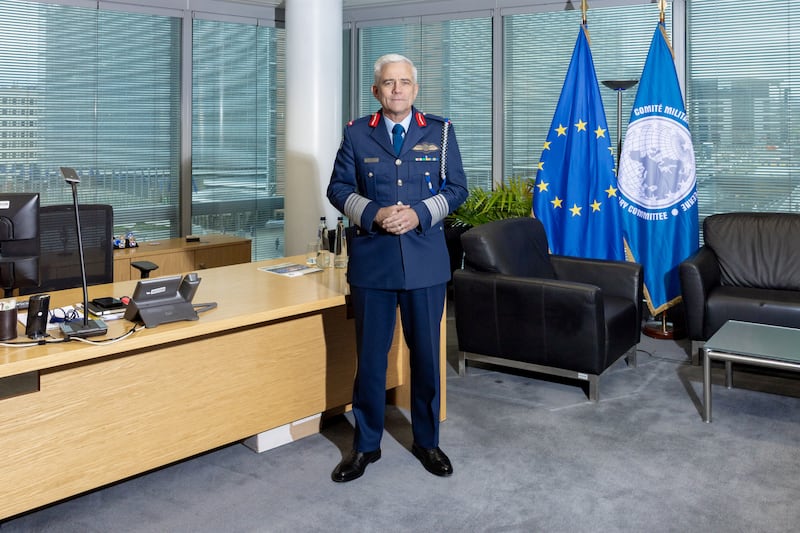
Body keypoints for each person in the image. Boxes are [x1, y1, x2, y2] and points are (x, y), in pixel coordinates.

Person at [326, 53, 468, 482]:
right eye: (389, 83)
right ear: (377, 90)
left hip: (425, 263)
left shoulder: (440, 132)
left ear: (415, 88)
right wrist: (373, 213)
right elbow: (338, 188)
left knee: (426, 357)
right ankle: (366, 446)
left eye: (405, 82)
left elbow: (458, 188)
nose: (398, 89)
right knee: (370, 360)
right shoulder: (356, 134)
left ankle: (427, 441)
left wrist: (421, 213)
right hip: (374, 265)